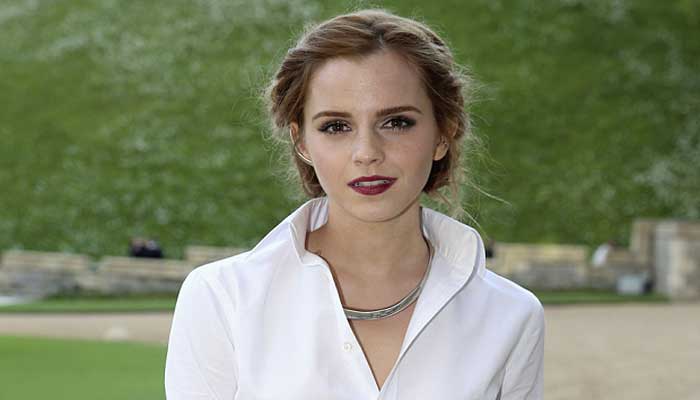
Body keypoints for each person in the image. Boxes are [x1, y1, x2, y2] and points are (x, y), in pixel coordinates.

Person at [165, 9, 544, 399]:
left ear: (443, 134)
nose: (366, 152)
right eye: (336, 126)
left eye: (396, 122)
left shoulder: (511, 316)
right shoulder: (221, 299)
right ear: (301, 141)